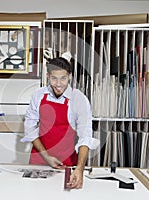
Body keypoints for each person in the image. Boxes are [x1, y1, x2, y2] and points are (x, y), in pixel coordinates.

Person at [21, 54, 99, 189]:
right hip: (39, 159)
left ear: (69, 76)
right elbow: (30, 129)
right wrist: (46, 156)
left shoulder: (79, 99)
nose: (58, 84)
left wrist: (79, 168)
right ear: (47, 76)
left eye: (63, 78)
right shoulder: (38, 95)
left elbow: (85, 136)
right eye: (54, 78)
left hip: (67, 162)